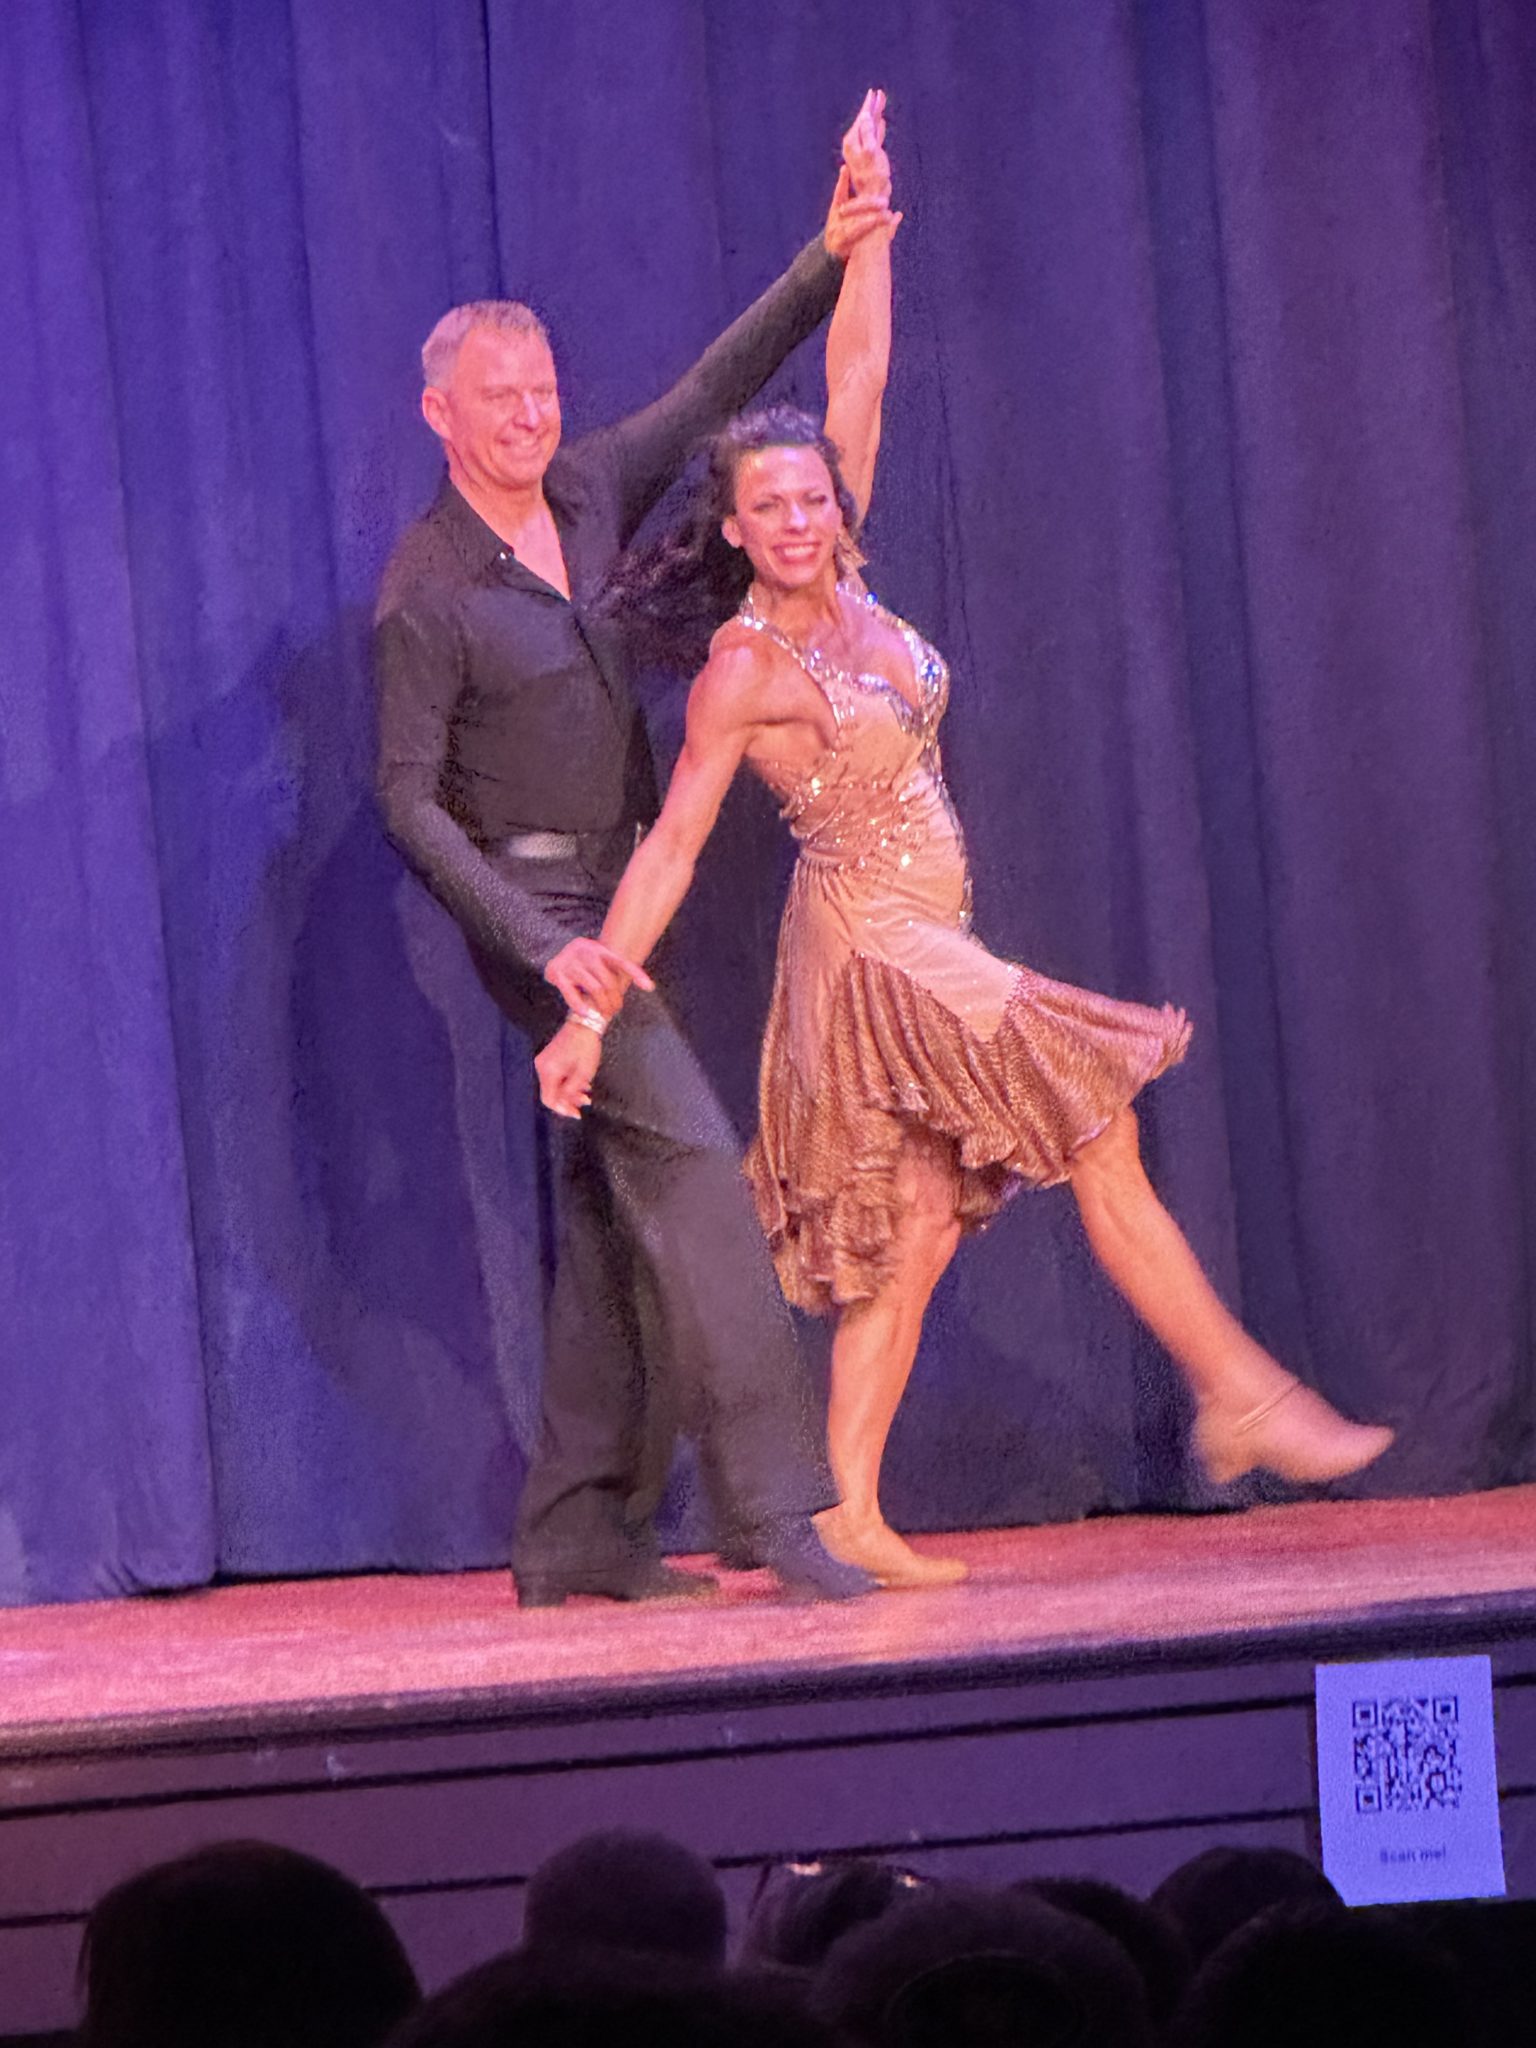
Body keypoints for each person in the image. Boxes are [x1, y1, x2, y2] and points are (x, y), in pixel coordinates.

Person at [534, 100, 1395, 1589]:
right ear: (732, 530)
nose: (797, 518)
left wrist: (865, 229)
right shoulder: (745, 670)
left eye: (810, 496)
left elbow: (859, 373)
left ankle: (847, 1511)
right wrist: (594, 1004)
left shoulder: (857, 574)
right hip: (872, 952)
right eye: (768, 507)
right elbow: (671, 847)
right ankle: (1239, 1392)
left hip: (929, 935)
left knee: (921, 1220)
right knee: (1095, 1124)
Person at [374, 96, 900, 1607]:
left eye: (541, 390)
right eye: (498, 399)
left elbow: (715, 385)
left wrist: (829, 253)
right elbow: (408, 803)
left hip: (626, 894)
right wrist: (543, 950)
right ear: (439, 415)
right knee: (694, 1167)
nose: (528, 415)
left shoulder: (593, 485)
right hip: (537, 911)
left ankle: (578, 1531)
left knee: (617, 1211)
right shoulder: (426, 590)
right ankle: (777, 1508)